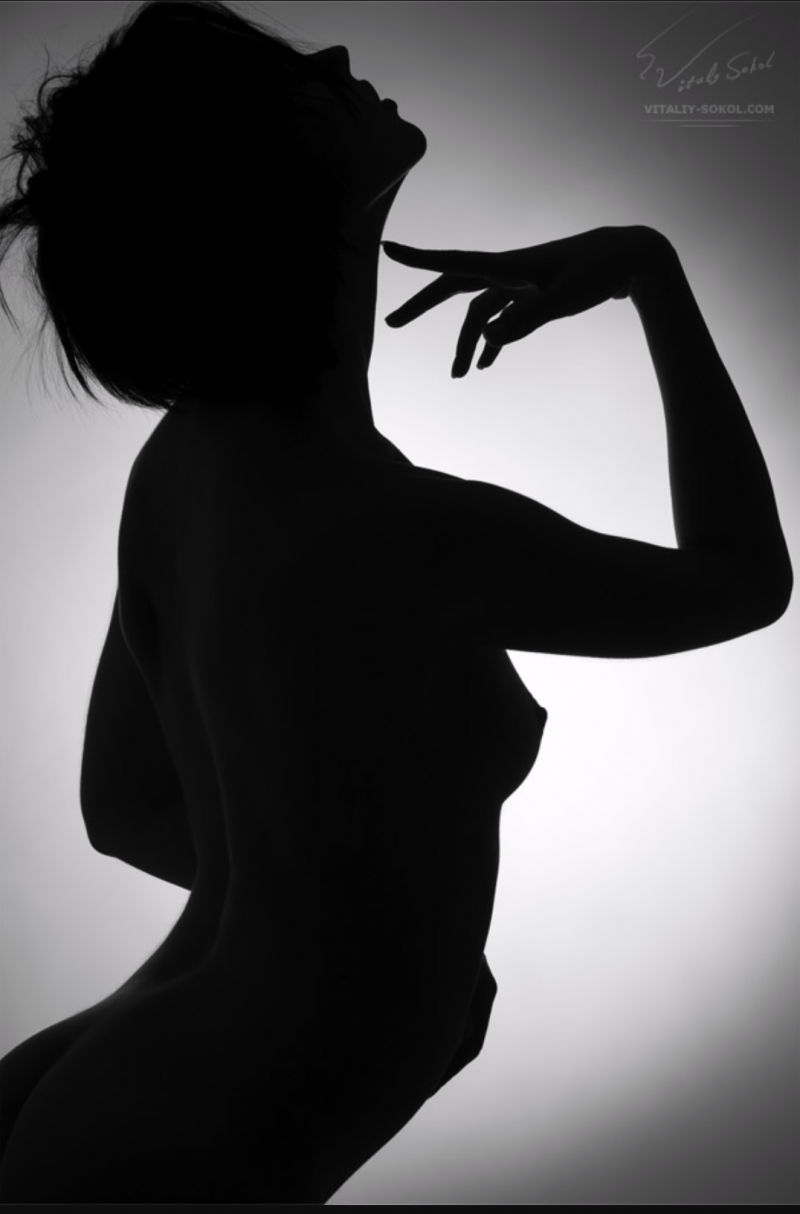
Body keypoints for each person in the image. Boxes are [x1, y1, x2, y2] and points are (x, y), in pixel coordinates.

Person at [0, 0, 792, 1203]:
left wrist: (333, 911)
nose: (331, 58)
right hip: (178, 1123)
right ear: (248, 176)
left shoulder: (179, 468)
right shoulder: (394, 527)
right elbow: (741, 581)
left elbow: (125, 806)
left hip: (113, 1079)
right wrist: (647, 271)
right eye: (288, 81)